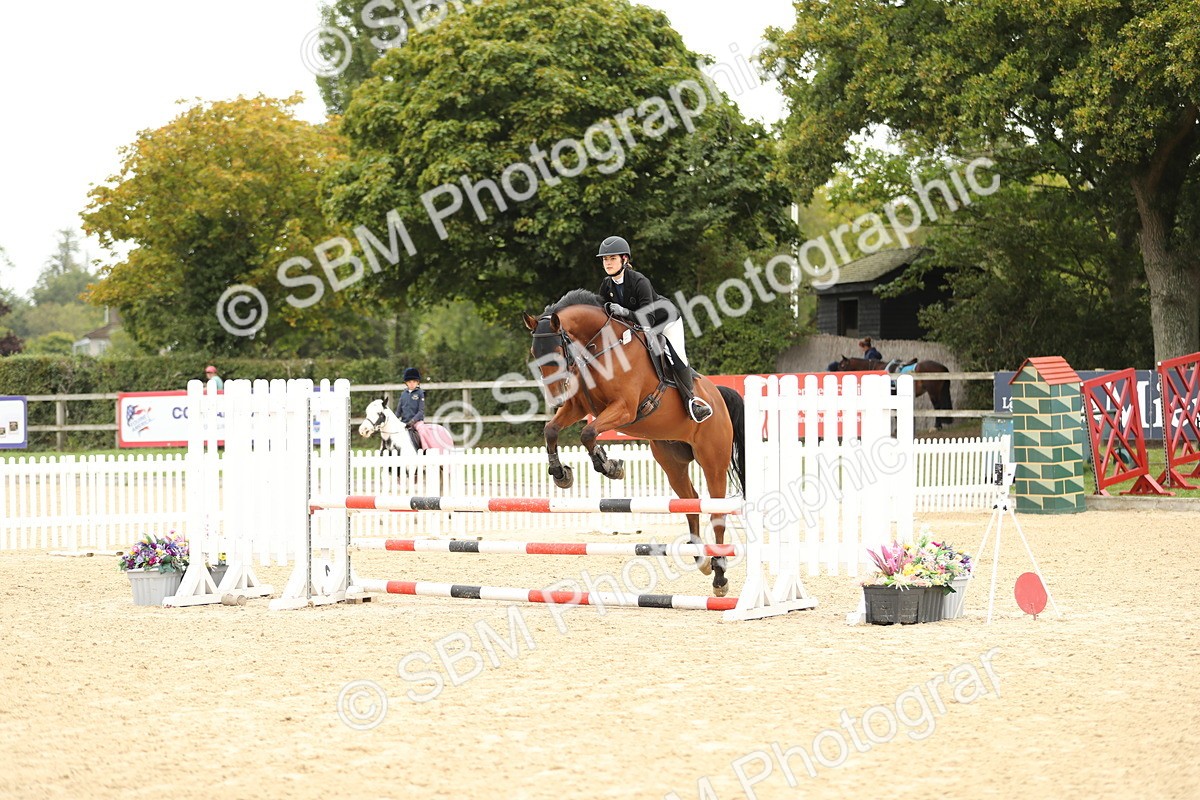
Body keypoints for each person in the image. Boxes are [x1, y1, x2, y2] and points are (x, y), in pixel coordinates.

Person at [595, 235, 712, 423]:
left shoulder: (639, 281)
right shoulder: (606, 285)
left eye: (612, 258)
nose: (608, 263)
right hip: (637, 326)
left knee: (675, 355)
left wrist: (625, 311)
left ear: (624, 259)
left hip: (665, 321)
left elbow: (647, 320)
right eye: (605, 259)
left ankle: (692, 402)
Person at [397, 367, 425, 451]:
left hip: (417, 422)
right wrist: (395, 419)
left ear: (417, 382)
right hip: (404, 422)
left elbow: (421, 411)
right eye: (409, 382)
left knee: (422, 431)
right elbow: (398, 411)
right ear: (406, 383)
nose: (412, 384)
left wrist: (413, 421)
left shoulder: (420, 393)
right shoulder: (403, 394)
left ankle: (425, 448)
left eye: (414, 382)